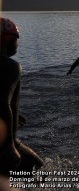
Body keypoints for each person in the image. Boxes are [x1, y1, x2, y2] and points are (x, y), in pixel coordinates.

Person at [0, 18, 44, 174]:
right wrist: (9, 148)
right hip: (5, 145)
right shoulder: (11, 66)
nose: (18, 44)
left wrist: (14, 110)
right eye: (17, 39)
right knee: (40, 173)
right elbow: (1, 103)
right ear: (7, 39)